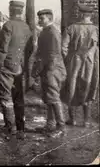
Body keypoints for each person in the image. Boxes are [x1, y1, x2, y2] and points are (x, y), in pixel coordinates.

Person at [0, 0, 33, 139]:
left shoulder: (8, 25)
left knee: (5, 96)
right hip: (19, 65)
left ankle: (10, 127)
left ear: (10, 10)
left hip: (7, 65)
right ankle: (20, 126)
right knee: (18, 96)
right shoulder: (26, 27)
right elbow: (29, 49)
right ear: (21, 11)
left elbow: (3, 48)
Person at [61, 5, 99, 128]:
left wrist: (68, 58)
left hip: (74, 60)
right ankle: (86, 121)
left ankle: (73, 120)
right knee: (88, 85)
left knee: (71, 86)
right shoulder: (96, 29)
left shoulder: (71, 28)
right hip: (90, 62)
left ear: (80, 14)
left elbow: (63, 47)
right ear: (90, 15)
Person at [31, 9, 67, 138]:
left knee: (54, 97)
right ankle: (50, 124)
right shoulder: (46, 31)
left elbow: (52, 55)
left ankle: (61, 127)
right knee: (49, 97)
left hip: (52, 70)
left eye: (42, 18)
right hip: (48, 69)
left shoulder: (52, 32)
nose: (39, 20)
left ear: (49, 18)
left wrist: (44, 71)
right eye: (39, 18)